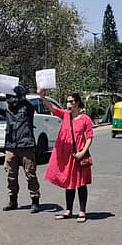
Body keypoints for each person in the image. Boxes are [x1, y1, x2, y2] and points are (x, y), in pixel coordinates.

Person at [38, 90, 94, 223]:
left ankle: (82, 211)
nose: (69, 104)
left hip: (78, 156)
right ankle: (69, 210)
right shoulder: (65, 115)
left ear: (78, 103)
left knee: (80, 184)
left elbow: (90, 138)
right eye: (68, 101)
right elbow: (51, 108)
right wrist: (42, 96)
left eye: (72, 101)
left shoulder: (85, 119)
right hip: (66, 156)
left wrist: (82, 153)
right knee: (69, 183)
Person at [0, 84, 41, 213]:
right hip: (11, 146)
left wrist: (22, 94)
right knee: (11, 175)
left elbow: (29, 104)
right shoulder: (7, 110)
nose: (11, 100)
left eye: (13, 97)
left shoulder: (27, 108)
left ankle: (35, 201)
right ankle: (13, 200)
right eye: (9, 97)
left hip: (26, 145)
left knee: (30, 174)